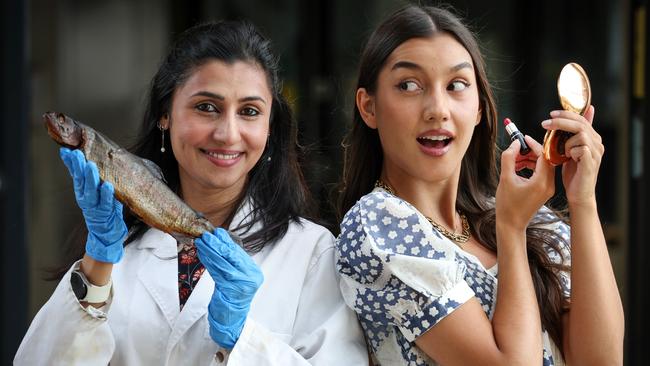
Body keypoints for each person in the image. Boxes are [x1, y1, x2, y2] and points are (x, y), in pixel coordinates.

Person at [15, 20, 368, 365]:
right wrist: (96, 268)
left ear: (269, 126)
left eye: (249, 111)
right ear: (165, 114)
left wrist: (243, 341)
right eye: (206, 107)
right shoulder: (116, 247)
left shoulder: (311, 253)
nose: (228, 134)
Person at [335, 5, 623, 366]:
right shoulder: (377, 225)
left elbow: (603, 361)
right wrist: (511, 228)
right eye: (409, 85)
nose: (437, 109)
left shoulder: (527, 217)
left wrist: (583, 201)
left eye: (456, 85)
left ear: (478, 110)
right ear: (369, 107)